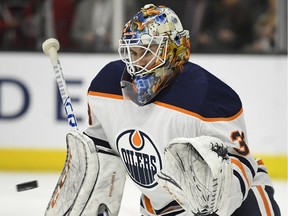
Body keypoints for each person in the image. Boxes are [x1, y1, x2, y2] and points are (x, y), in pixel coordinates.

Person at [80, 4, 281, 215]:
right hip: (161, 208)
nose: (136, 63)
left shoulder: (209, 97)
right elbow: (100, 151)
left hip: (239, 207)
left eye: (147, 52)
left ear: (175, 49)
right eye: (133, 52)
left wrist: (214, 205)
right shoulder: (105, 88)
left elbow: (239, 162)